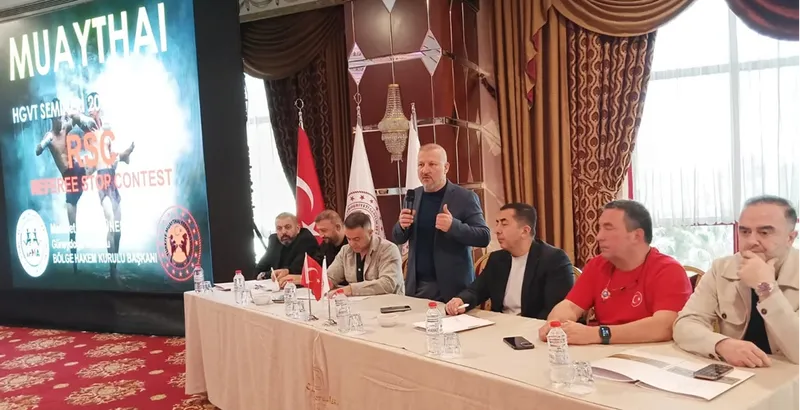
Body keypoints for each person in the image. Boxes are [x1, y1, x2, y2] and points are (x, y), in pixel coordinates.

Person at [538, 200, 692, 345]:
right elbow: (570, 306)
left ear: (637, 235)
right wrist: (555, 324)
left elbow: (664, 327)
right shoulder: (597, 265)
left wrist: (598, 334)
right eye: (600, 228)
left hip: (651, 355)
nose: (598, 237)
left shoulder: (668, 270)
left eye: (608, 228)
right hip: (604, 352)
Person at [674, 196, 800, 367]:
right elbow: (685, 324)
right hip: (737, 373)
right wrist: (721, 344)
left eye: (764, 232)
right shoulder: (721, 268)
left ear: (790, 238)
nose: (751, 242)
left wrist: (766, 288)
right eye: (745, 232)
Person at [392, 143, 491, 302]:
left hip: (451, 288)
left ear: (446, 168)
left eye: (432, 164)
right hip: (416, 287)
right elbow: (399, 238)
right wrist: (401, 226)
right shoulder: (413, 196)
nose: (425, 170)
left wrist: (453, 226)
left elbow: (484, 237)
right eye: (421, 164)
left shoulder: (465, 197)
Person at [445, 203, 574, 319]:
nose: (497, 230)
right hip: (501, 326)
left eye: (504, 224)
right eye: (497, 223)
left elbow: (556, 310)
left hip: (535, 329)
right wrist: (461, 300)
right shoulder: (497, 259)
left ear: (525, 231)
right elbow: (476, 290)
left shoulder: (554, 260)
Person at [35, 109, 82, 275]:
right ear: (52, 119)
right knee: (72, 226)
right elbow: (37, 150)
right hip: (69, 180)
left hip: (79, 170)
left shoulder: (65, 127)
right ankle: (75, 265)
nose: (60, 120)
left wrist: (74, 115)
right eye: (57, 117)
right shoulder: (50, 136)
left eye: (61, 117)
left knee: (96, 166)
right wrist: (43, 144)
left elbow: (76, 120)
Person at [326, 212, 404, 296]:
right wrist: (326, 284)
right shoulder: (345, 250)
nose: (352, 243)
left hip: (389, 302)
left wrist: (351, 289)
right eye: (348, 239)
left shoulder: (388, 249)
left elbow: (388, 284)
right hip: (357, 303)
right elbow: (330, 276)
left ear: (370, 233)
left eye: (357, 239)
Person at [256, 213, 318, 282]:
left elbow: (295, 269)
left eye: (288, 227)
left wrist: (266, 274)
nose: (283, 232)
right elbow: (261, 266)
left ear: (298, 229)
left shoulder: (306, 239)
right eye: (279, 228)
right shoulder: (274, 240)